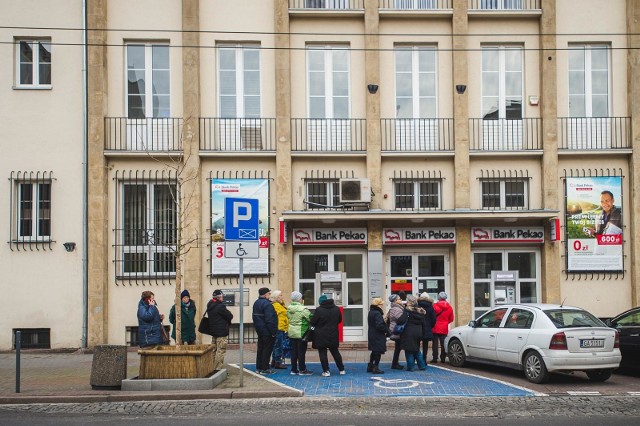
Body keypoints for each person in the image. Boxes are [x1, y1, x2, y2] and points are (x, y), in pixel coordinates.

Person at [310, 294, 345, 377]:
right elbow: (339, 320)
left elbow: (313, 322)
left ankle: (326, 371)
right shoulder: (336, 309)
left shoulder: (319, 310)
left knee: (322, 352)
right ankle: (341, 369)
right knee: (335, 351)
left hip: (321, 334)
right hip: (333, 333)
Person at [287, 291, 314, 376]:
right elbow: (310, 318)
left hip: (292, 332)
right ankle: (302, 369)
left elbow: (288, 317)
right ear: (299, 299)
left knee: (294, 352)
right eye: (301, 298)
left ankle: (294, 369)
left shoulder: (289, 308)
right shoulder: (303, 309)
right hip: (301, 332)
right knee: (301, 352)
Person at [252, 287, 278, 375]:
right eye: (269, 294)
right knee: (267, 349)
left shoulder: (256, 303)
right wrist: (273, 332)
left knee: (261, 349)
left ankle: (259, 367)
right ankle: (265, 368)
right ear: (266, 294)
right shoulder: (267, 304)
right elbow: (270, 319)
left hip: (260, 329)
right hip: (267, 331)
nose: (270, 295)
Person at [207, 289, 233, 371]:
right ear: (218, 297)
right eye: (222, 297)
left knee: (213, 351)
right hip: (221, 332)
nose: (223, 298)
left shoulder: (210, 304)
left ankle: (211, 368)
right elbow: (229, 316)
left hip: (213, 331)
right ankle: (217, 370)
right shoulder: (220, 306)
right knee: (220, 351)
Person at [400, 295, 427, 371]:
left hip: (409, 331)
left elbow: (402, 320)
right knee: (416, 349)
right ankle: (422, 365)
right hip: (419, 331)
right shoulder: (421, 311)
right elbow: (424, 323)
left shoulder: (408, 310)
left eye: (407, 301)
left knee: (408, 350)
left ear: (410, 302)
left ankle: (411, 366)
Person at [432, 291, 454, 363]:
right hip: (444, 328)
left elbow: (432, 317)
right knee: (443, 344)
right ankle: (443, 358)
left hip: (435, 327)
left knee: (435, 344)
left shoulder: (435, 306)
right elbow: (451, 319)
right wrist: (445, 323)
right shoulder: (450, 307)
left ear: (439, 297)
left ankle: (435, 358)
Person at [367, 297, 387, 374]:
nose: (382, 306)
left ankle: (370, 366)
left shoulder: (371, 312)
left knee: (374, 351)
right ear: (378, 305)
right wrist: (385, 329)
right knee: (378, 351)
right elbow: (379, 325)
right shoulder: (377, 313)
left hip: (372, 333)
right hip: (378, 335)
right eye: (381, 304)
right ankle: (376, 367)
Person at [270, 290, 289, 369]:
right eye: (280, 295)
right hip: (279, 328)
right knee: (278, 346)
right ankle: (278, 362)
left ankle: (274, 361)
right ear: (276, 297)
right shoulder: (276, 306)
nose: (282, 297)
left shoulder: (281, 305)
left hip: (282, 327)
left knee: (277, 345)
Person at [417, 292, 437, 365]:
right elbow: (434, 318)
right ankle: (424, 360)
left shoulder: (417, 305)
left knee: (417, 344)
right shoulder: (430, 306)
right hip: (427, 328)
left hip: (418, 327)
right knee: (425, 345)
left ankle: (418, 360)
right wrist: (430, 326)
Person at [387, 294, 405, 370]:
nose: (401, 300)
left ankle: (395, 363)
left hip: (396, 329)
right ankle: (395, 363)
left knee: (398, 347)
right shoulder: (396, 309)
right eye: (399, 299)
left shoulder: (396, 307)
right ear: (395, 301)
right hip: (397, 330)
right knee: (398, 348)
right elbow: (400, 319)